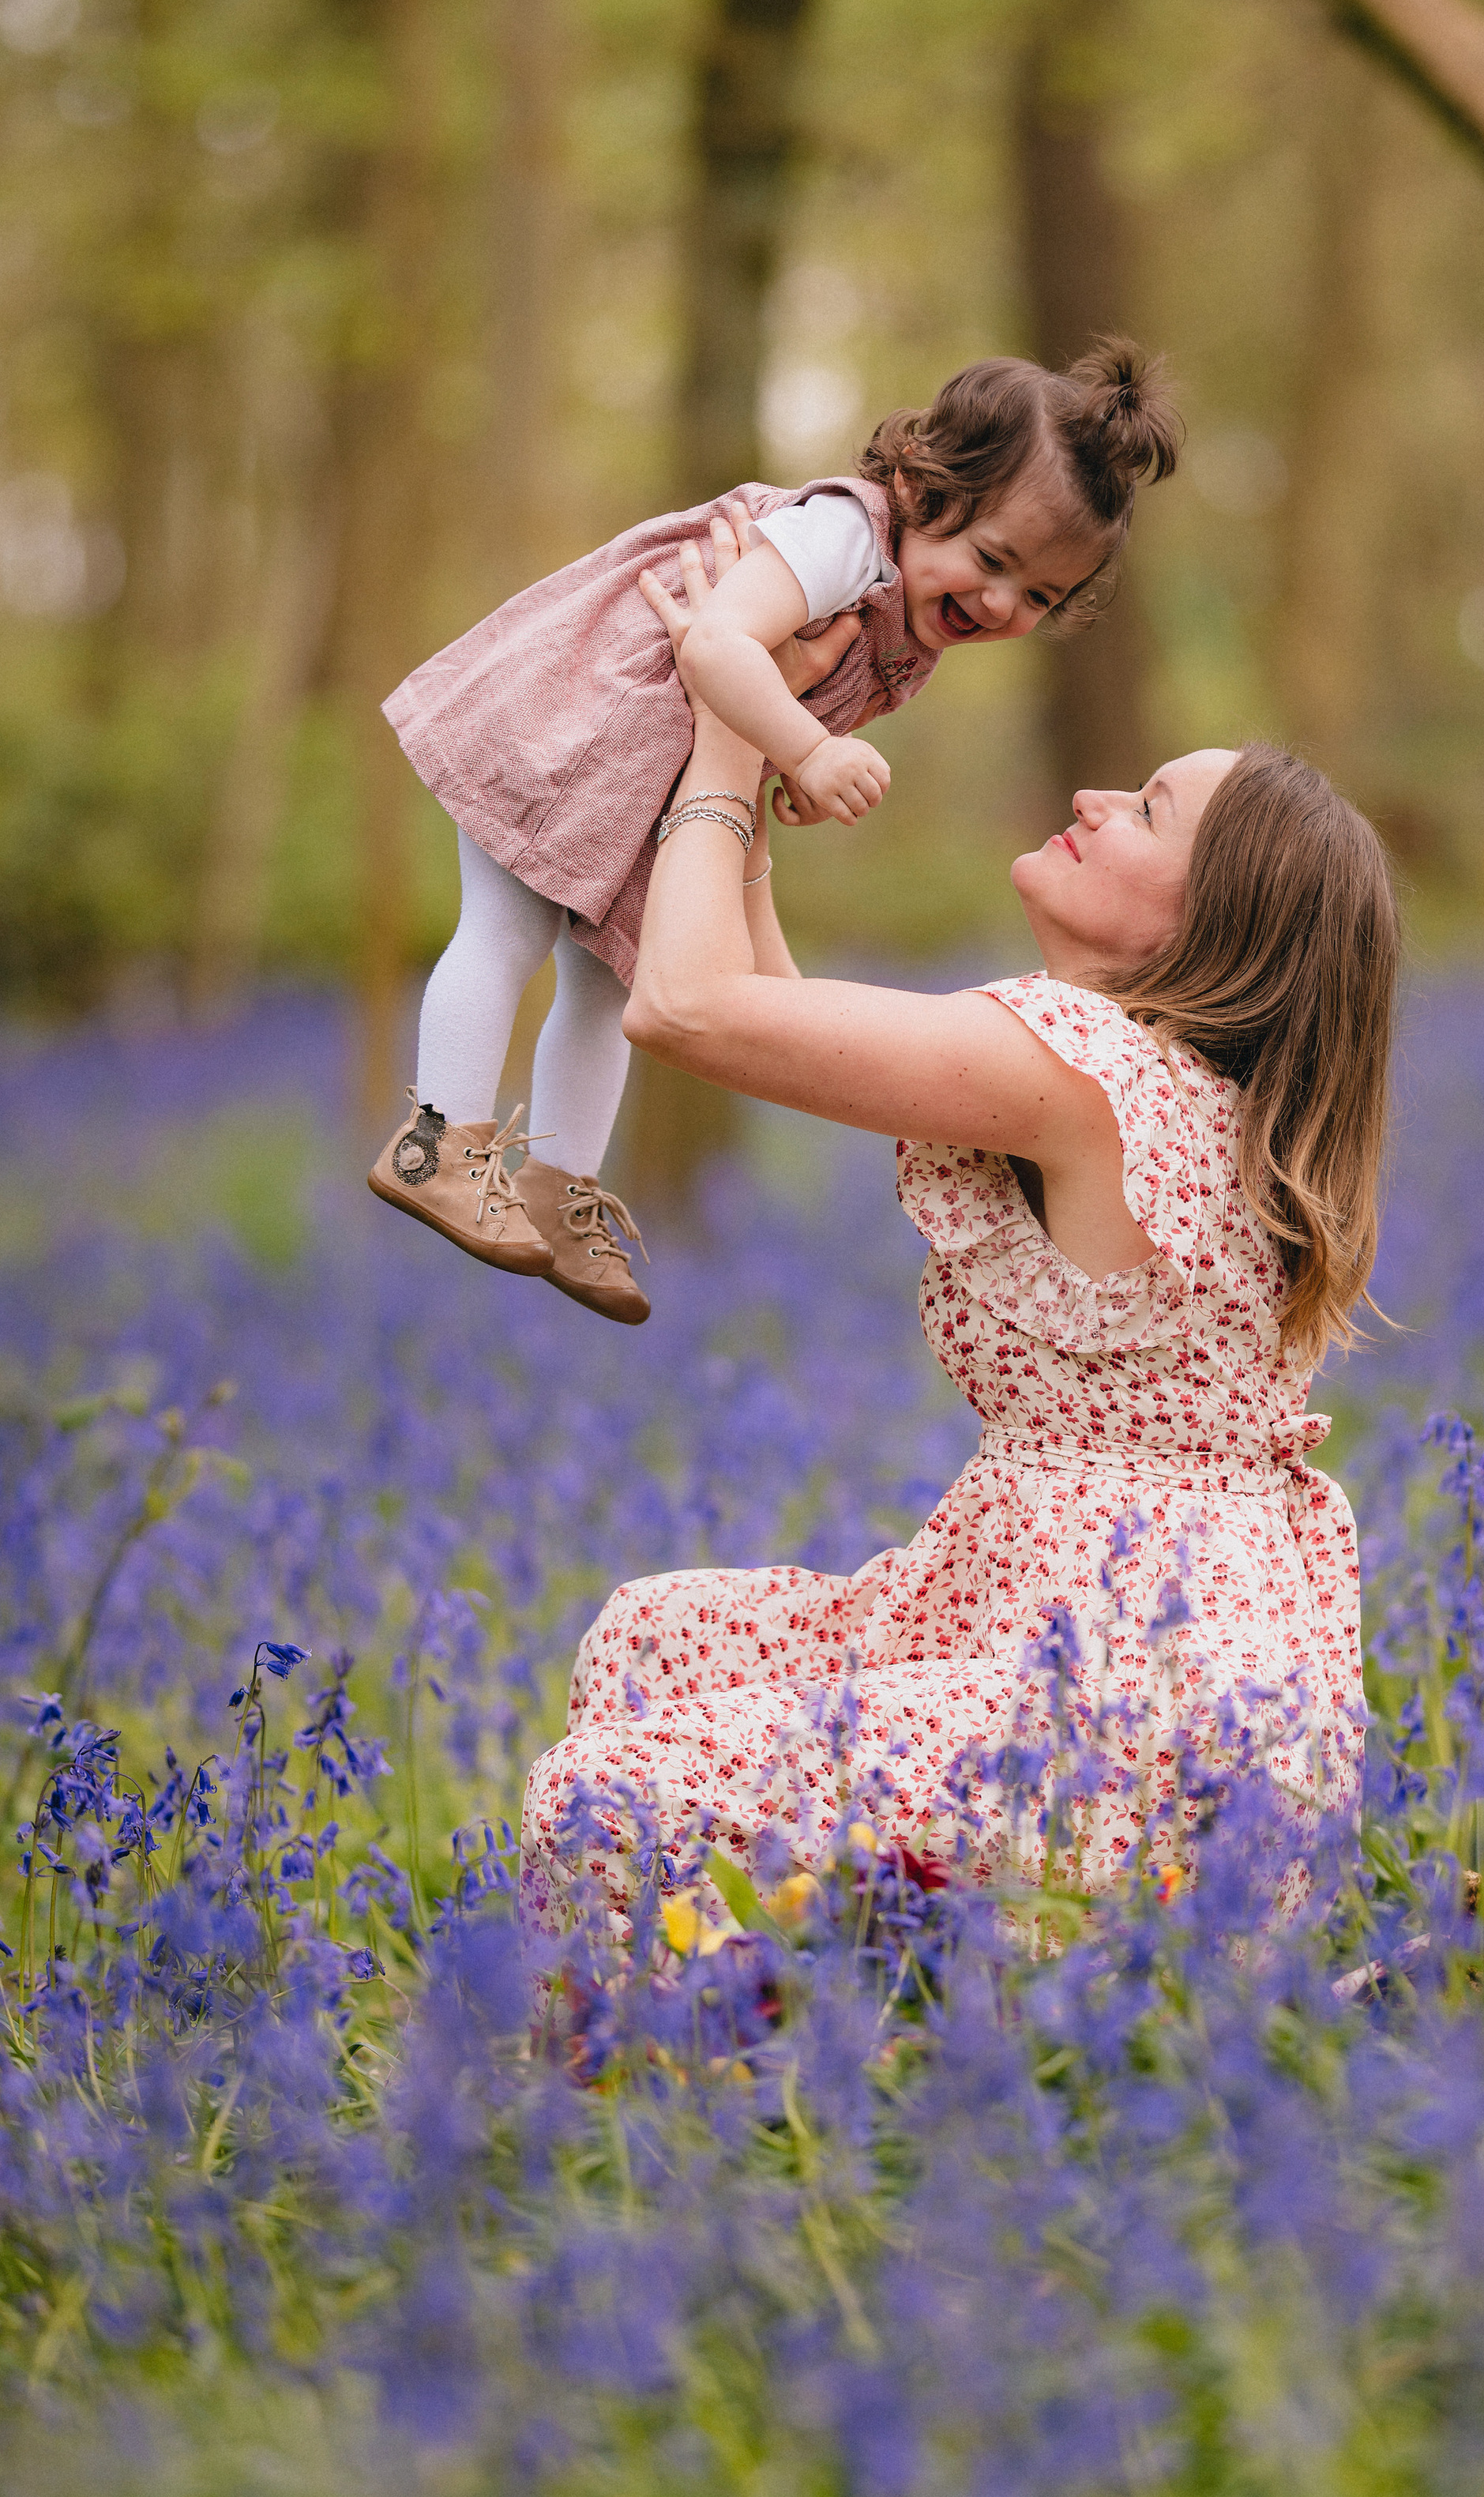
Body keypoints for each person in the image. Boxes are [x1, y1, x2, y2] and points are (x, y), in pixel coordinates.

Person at [519, 515, 1399, 1945]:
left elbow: (687, 1007)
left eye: (1153, 814)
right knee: (655, 1637)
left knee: (615, 1791)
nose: (1101, 793)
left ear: (1210, 925)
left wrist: (726, 706)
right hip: (1154, 1677)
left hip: (1122, 1718)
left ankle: (712, 2093)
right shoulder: (1162, 1086)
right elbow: (784, 1020)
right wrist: (750, 731)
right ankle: (820, 2026)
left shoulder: (1080, 1066)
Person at [367, 340, 1178, 1324]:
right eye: (993, 560)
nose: (1002, 603)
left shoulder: (914, 609)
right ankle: (436, 1139)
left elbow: (779, 693)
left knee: (610, 979)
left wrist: (783, 767)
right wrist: (805, 750)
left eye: (1039, 597)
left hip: (648, 776)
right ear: (923, 488)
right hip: (576, 730)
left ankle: (556, 1187)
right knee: (507, 932)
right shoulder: (843, 533)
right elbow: (715, 639)